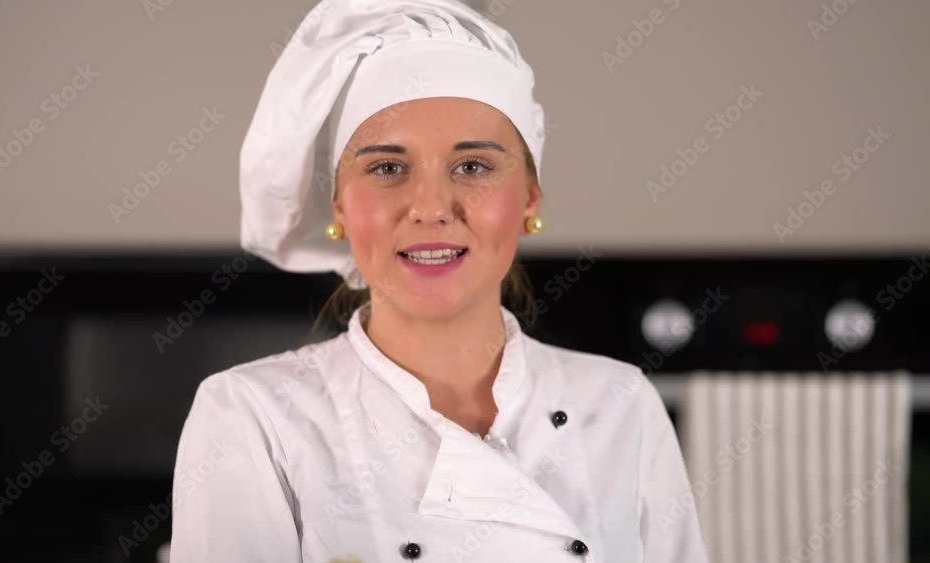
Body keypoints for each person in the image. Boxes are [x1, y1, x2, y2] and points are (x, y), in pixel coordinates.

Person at [169, 1, 709, 561]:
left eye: (472, 166)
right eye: (387, 168)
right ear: (339, 206)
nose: (430, 208)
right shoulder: (255, 416)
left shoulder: (621, 404)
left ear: (529, 198)